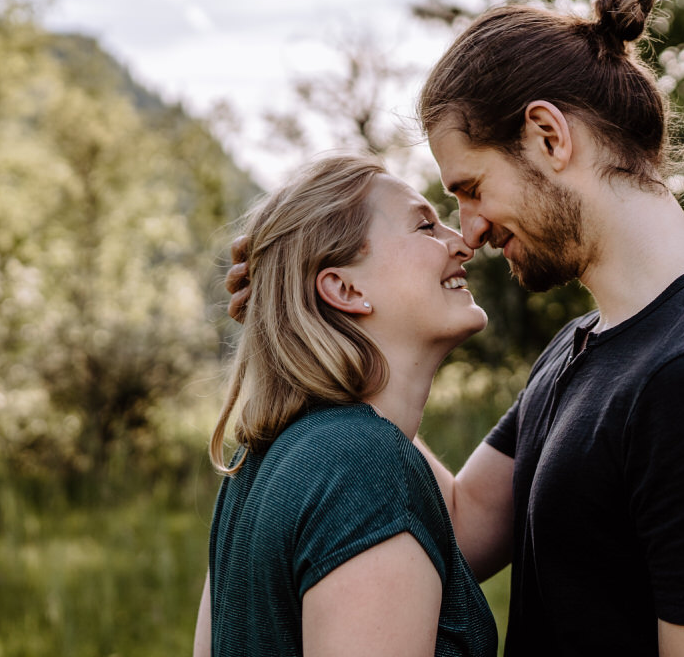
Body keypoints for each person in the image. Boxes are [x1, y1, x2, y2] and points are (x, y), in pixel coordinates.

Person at [228, 0, 684, 657]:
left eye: (472, 188)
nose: (470, 231)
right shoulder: (586, 346)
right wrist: (313, 322)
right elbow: (457, 521)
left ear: (548, 135)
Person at [195, 154, 498, 657]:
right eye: (425, 225)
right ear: (344, 288)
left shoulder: (259, 468)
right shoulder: (364, 463)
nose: (463, 243)